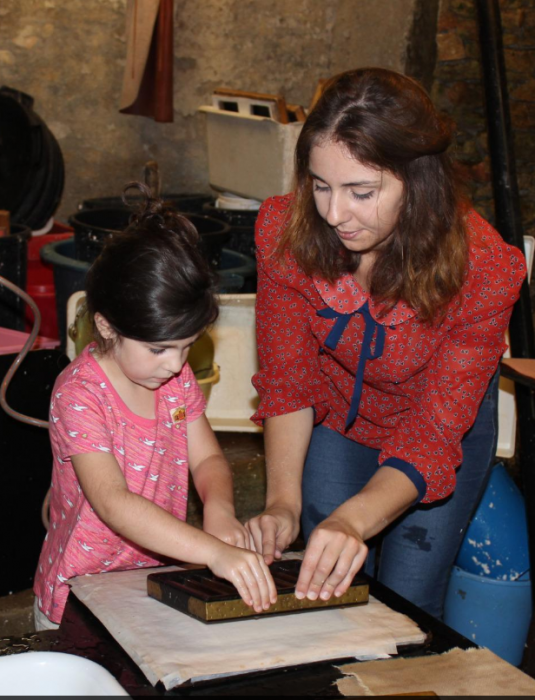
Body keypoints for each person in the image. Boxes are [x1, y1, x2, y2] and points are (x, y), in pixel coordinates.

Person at [245, 67, 526, 619]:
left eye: (361, 192)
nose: (332, 214)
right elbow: (288, 380)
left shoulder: (485, 267)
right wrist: (282, 502)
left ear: (417, 180)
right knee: (327, 593)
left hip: (437, 430)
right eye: (320, 185)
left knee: (406, 602)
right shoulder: (285, 230)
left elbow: (432, 434)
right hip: (338, 418)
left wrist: (356, 519)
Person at [33, 186, 276, 630]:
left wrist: (218, 509)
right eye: (160, 348)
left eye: (188, 346)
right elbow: (113, 503)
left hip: (149, 584)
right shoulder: (80, 395)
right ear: (106, 324)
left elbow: (207, 459)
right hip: (79, 597)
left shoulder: (176, 381)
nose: (177, 364)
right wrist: (213, 552)